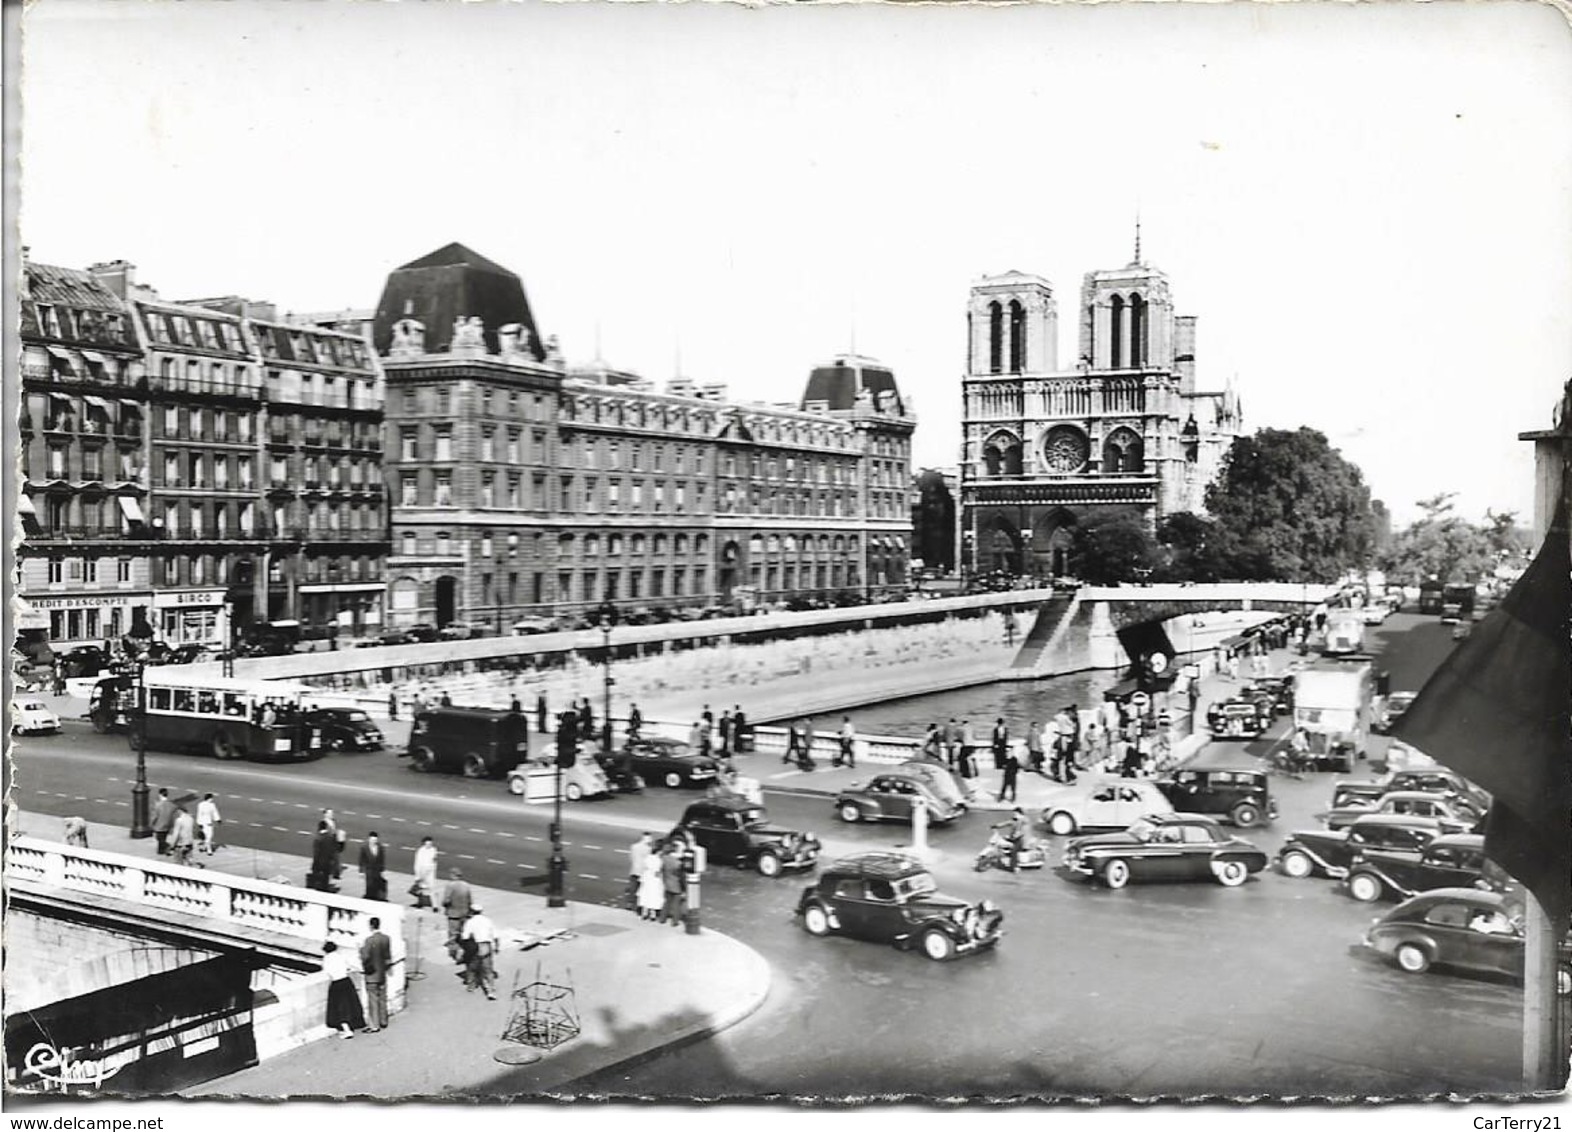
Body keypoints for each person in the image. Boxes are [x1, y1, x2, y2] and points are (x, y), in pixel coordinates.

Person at [322, 941, 367, 1038]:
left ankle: (346, 1030)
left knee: (339, 1007)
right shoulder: (340, 956)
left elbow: (327, 972)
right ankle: (355, 1024)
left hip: (336, 982)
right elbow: (349, 966)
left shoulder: (326, 959)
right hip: (346, 981)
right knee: (350, 1004)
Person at [360, 916, 393, 1027]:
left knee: (373, 1000)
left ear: (371, 926)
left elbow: (365, 957)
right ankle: (384, 1020)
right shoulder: (386, 938)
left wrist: (360, 950)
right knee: (383, 998)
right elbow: (388, 956)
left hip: (372, 975)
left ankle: (374, 1025)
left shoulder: (369, 941)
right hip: (382, 973)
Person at [460, 904, 498, 998]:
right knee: (488, 969)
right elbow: (496, 935)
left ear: (471, 911)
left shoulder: (470, 922)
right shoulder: (488, 920)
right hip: (487, 946)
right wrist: (497, 947)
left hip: (475, 946)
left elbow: (465, 937)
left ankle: (471, 985)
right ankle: (491, 990)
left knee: (471, 967)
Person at [442, 867, 474, 959]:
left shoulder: (450, 885)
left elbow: (446, 900)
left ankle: (453, 953)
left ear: (453, 875)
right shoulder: (466, 885)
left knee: (453, 934)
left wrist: (444, 905)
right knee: (463, 933)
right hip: (464, 913)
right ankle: (465, 952)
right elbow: (470, 900)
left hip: (453, 914)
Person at [661, 837, 688, 926]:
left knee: (667, 902)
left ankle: (662, 918)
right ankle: (674, 921)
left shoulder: (665, 858)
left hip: (667, 884)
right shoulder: (678, 864)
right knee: (676, 904)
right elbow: (681, 877)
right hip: (676, 886)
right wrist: (684, 889)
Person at [627, 832, 654, 911]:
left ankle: (630, 903)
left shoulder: (634, 846)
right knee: (642, 889)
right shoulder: (648, 849)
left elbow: (631, 857)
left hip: (634, 869)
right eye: (650, 838)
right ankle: (639, 905)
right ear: (647, 839)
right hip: (643, 871)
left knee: (633, 887)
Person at [359, 830, 388, 901]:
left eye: (375, 840)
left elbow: (382, 859)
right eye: (372, 840)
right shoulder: (364, 847)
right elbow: (361, 860)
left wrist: (382, 870)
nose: (374, 841)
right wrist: (361, 871)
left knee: (376, 885)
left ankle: (375, 897)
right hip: (369, 870)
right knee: (369, 885)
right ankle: (369, 897)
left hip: (377, 870)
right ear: (369, 839)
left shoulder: (380, 847)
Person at [309, 821, 339, 891]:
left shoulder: (318, 838)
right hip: (328, 862)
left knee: (318, 881)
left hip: (319, 863)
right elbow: (334, 850)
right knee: (326, 879)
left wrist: (314, 865)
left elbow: (316, 853)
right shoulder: (331, 837)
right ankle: (325, 888)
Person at [411, 835, 438, 909]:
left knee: (432, 888)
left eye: (430, 844)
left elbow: (434, 862)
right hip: (421, 871)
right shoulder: (421, 851)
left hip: (430, 873)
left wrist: (432, 870)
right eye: (427, 844)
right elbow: (417, 863)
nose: (429, 845)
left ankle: (435, 905)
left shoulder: (433, 850)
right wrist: (417, 875)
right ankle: (420, 903)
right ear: (424, 843)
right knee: (420, 888)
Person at [150, 788, 175, 856]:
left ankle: (167, 847)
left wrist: (152, 823)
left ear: (160, 795)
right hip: (167, 824)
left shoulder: (158, 805)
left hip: (159, 825)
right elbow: (172, 814)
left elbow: (155, 816)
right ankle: (161, 850)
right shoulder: (170, 804)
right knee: (163, 837)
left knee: (160, 838)